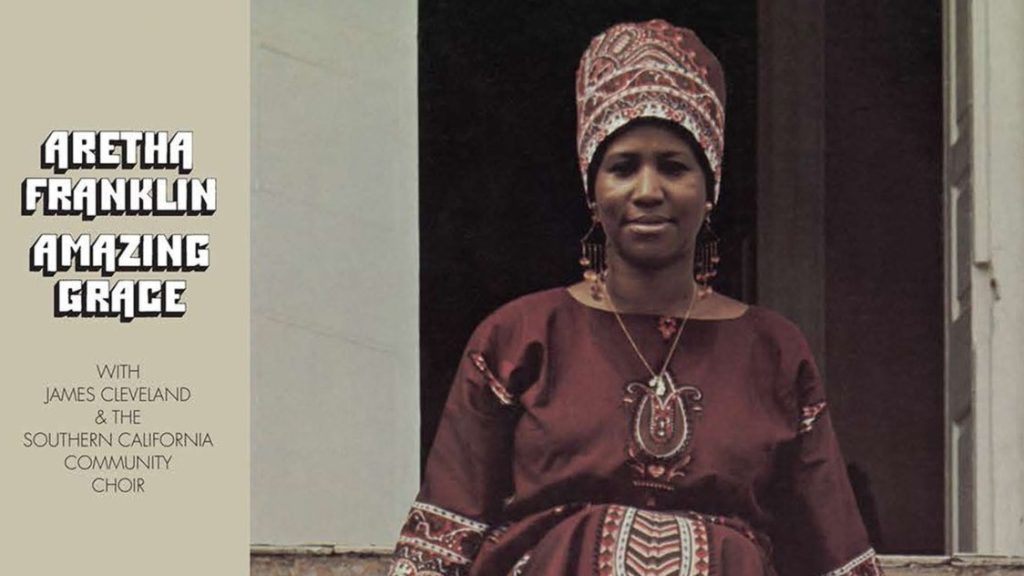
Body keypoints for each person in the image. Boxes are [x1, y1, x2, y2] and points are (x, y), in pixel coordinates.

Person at [389, 19, 882, 576]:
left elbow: (834, 545)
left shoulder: (774, 350)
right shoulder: (517, 338)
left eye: (674, 167)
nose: (648, 191)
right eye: (623, 168)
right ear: (593, 192)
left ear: (710, 189)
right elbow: (440, 543)